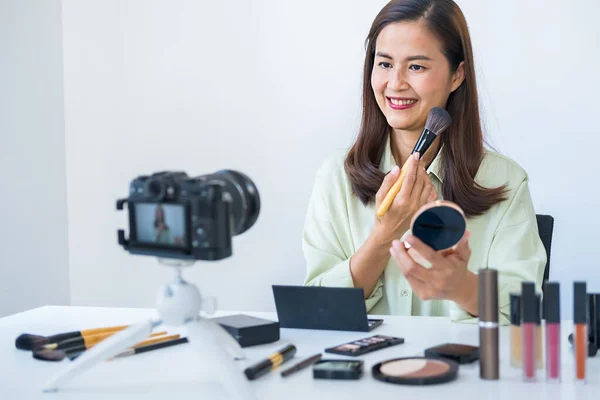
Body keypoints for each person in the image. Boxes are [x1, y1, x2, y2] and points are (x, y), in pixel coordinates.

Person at [302, 0, 546, 324]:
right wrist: (383, 235)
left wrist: (461, 287)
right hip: (366, 371)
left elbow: (525, 314)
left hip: (465, 371)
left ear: (457, 75)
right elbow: (314, 312)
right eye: (385, 64)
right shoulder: (335, 177)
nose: (396, 83)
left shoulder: (505, 182)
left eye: (416, 67)